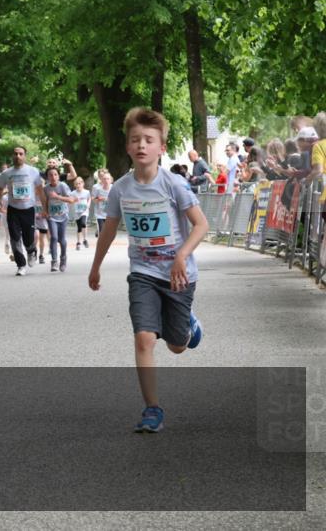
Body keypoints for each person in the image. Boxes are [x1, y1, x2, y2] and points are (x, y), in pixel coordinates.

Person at [88, 107, 208, 433]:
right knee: (144, 339)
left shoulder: (174, 185)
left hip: (179, 275)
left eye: (149, 140)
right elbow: (109, 230)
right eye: (135, 140)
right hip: (142, 273)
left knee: (176, 346)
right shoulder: (120, 189)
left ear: (162, 147)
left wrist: (182, 255)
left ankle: (187, 327)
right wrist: (95, 266)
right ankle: (152, 409)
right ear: (127, 147)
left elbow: (201, 225)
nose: (141, 145)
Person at [0, 146, 48, 276]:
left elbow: (40, 191)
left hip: (28, 209)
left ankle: (32, 252)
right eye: (15, 154)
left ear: (24, 156)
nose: (18, 156)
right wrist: (0, 201)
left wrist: (45, 208)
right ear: (12, 156)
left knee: (28, 238)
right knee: (14, 238)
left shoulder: (33, 171)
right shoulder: (6, 173)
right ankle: (21, 265)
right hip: (13, 209)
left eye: (20, 154)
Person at [44, 167, 75, 272]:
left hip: (63, 216)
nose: (53, 177)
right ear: (47, 177)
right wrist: (45, 212)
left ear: (58, 176)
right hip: (52, 216)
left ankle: (63, 259)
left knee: (62, 239)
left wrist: (58, 197)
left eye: (55, 174)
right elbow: (45, 201)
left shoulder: (63, 186)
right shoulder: (46, 188)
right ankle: (54, 261)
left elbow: (71, 200)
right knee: (54, 237)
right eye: (50, 175)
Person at [71, 176, 91, 249]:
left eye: (79, 183)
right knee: (79, 227)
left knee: (83, 223)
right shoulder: (73, 193)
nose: (78, 185)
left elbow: (89, 198)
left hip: (84, 211)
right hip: (77, 212)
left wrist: (88, 204)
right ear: (75, 185)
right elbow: (70, 201)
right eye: (76, 184)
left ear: (83, 184)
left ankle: (85, 239)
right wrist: (73, 201)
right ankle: (78, 242)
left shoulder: (86, 192)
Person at [91, 171, 112, 237]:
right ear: (102, 180)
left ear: (111, 180)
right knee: (102, 231)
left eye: (108, 179)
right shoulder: (97, 189)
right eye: (104, 179)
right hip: (100, 214)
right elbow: (93, 199)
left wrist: (105, 199)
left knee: (108, 232)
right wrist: (98, 199)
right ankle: (101, 245)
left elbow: (117, 200)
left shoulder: (114, 188)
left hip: (110, 214)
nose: (106, 181)